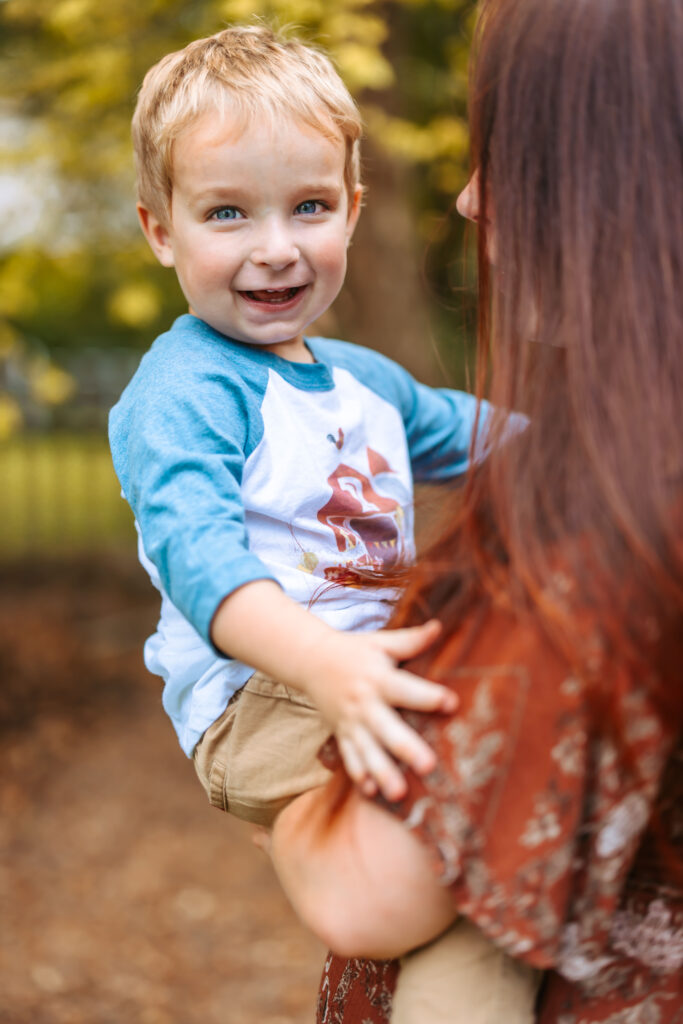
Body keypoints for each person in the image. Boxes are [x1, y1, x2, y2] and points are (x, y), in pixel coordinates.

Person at [264, 0, 683, 1021]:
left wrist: (265, 781)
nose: (466, 198)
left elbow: (367, 888)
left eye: (512, 150)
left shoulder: (600, 537)